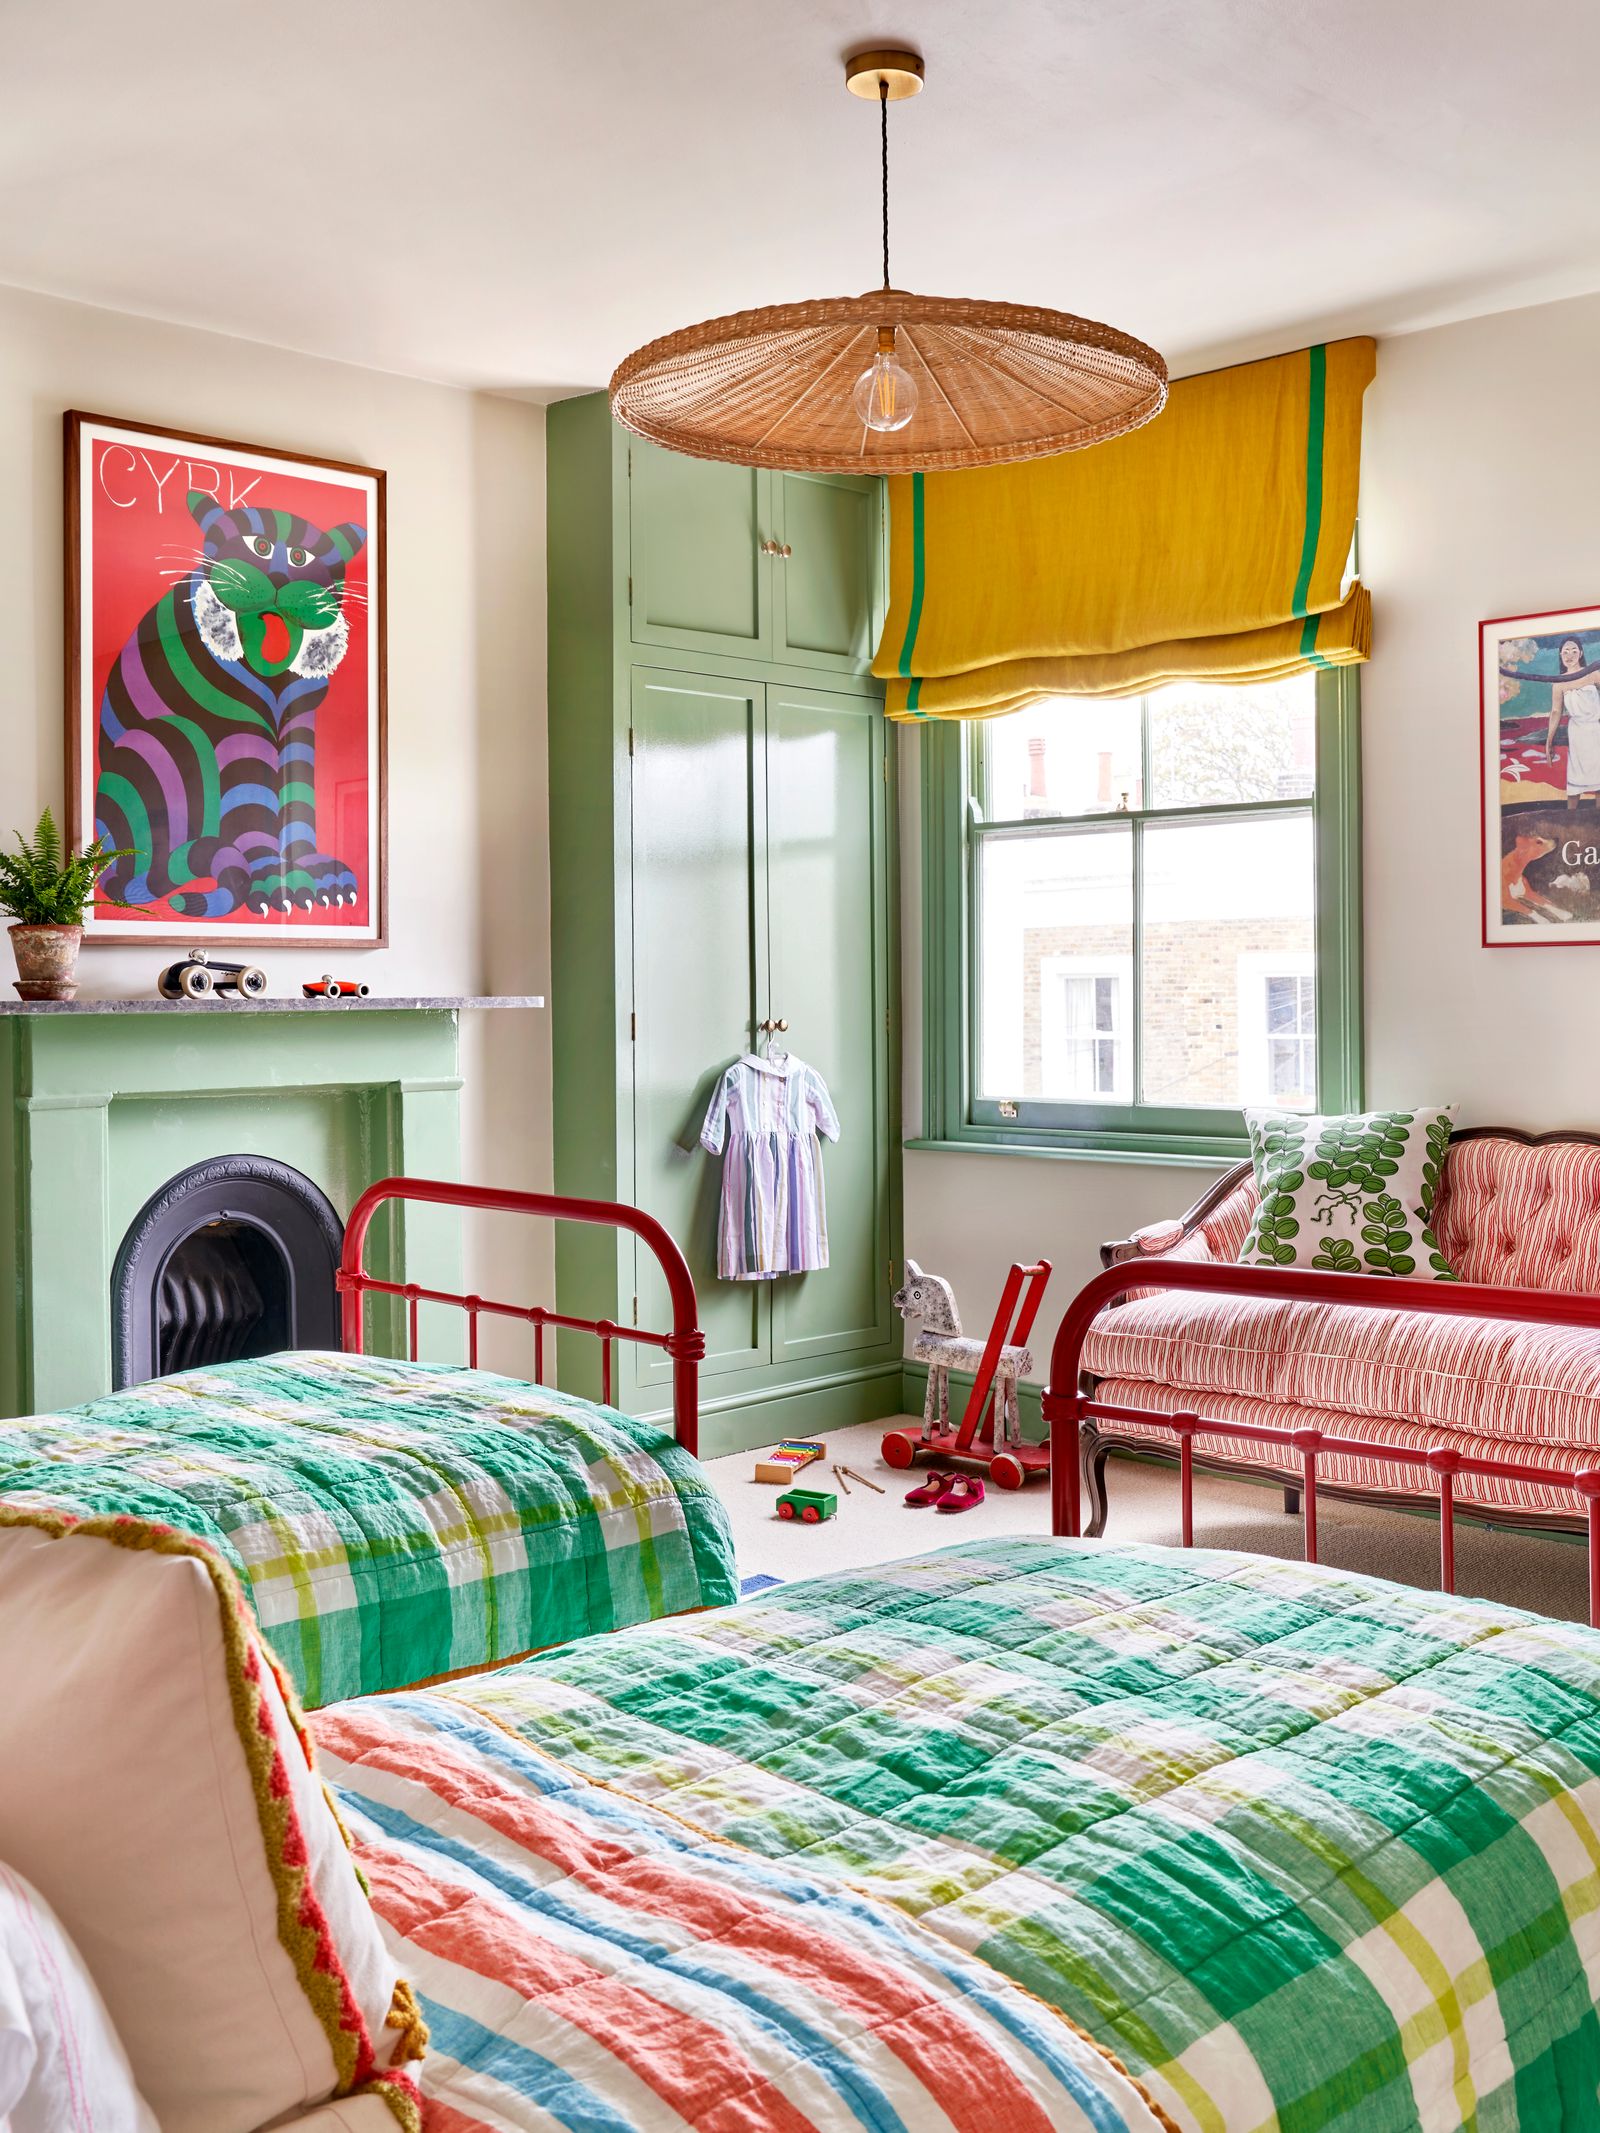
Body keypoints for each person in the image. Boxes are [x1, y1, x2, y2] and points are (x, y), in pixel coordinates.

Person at [1545, 637, 1600, 809]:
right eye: (1565, 651)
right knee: (1575, 785)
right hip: (1577, 734)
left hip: (1597, 731)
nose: (1570, 655)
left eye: (1574, 650)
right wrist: (1549, 741)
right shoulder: (1559, 682)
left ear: (1581, 653)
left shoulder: (1593, 673)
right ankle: (1570, 823)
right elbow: (1555, 712)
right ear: (1560, 655)